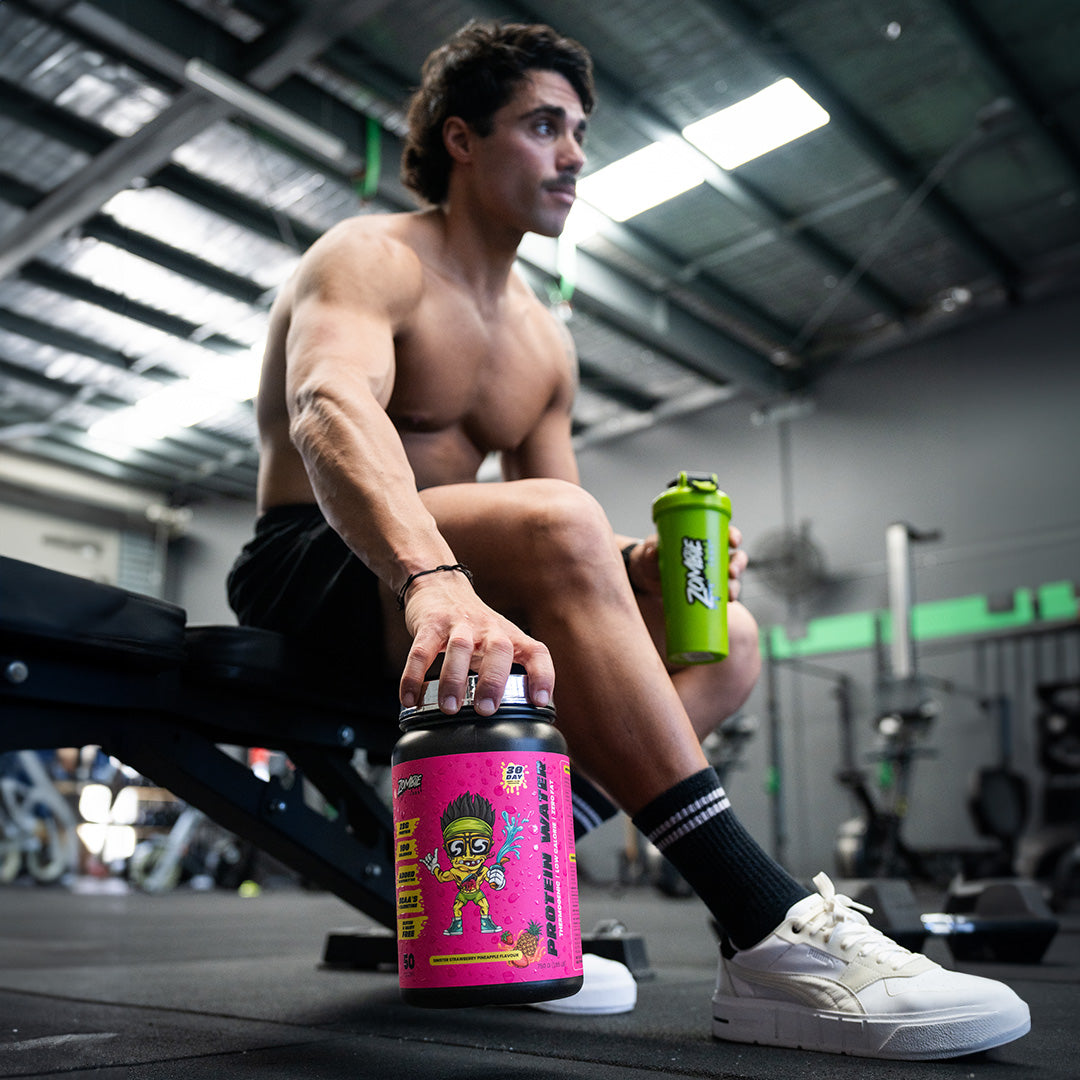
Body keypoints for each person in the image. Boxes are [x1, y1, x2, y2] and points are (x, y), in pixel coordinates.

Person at [227, 19, 1030, 1060]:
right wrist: (431, 578)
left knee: (723, 638)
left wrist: (635, 568)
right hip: (320, 561)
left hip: (457, 579)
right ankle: (766, 928)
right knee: (564, 532)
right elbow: (329, 412)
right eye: (544, 126)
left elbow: (558, 535)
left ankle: (503, 896)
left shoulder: (540, 340)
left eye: (580, 131)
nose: (573, 155)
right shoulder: (372, 258)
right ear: (461, 141)